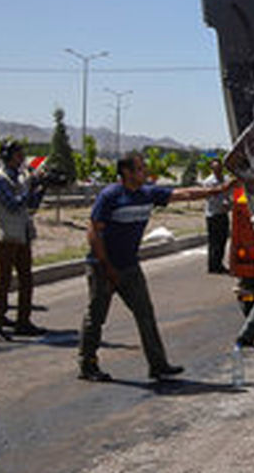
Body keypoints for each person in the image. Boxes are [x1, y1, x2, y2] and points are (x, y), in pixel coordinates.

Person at [78, 151, 231, 381]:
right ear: (126, 172)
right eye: (140, 169)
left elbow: (184, 193)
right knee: (96, 316)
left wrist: (216, 191)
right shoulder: (110, 196)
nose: (145, 172)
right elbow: (93, 233)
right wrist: (107, 267)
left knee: (145, 314)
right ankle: (87, 365)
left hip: (129, 267)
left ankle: (158, 365)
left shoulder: (147, 194)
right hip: (102, 266)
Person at [0, 140, 47, 339]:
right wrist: (29, 187)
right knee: (3, 280)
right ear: (8, 156)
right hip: (6, 236)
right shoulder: (0, 178)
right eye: (18, 154)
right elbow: (12, 204)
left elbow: (30, 205)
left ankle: (23, 321)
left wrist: (41, 187)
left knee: (26, 280)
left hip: (22, 234)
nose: (21, 157)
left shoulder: (21, 177)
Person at [202, 157, 231, 274]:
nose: (217, 170)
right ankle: (213, 266)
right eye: (215, 168)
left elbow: (229, 194)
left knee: (223, 240)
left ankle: (219, 263)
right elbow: (208, 197)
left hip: (223, 214)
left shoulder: (226, 179)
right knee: (214, 241)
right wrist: (222, 204)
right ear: (212, 169)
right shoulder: (208, 182)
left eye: (219, 168)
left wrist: (229, 203)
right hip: (213, 215)